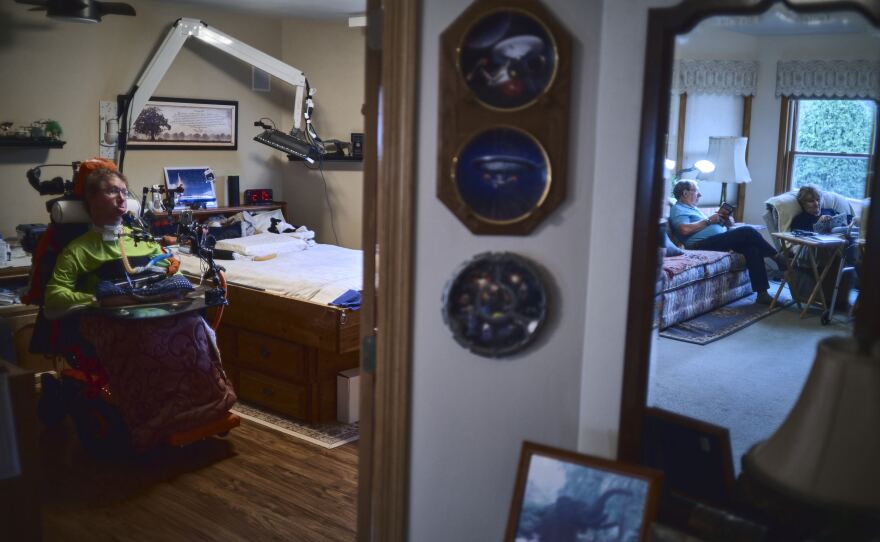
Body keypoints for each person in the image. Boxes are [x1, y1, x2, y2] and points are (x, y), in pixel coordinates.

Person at [43, 165, 236, 450]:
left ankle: (209, 408)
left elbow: (165, 267)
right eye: (111, 191)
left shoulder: (139, 239)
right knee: (147, 341)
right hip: (111, 320)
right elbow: (54, 297)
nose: (121, 198)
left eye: (124, 191)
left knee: (196, 327)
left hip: (157, 311)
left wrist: (171, 271)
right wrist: (96, 299)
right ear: (91, 200)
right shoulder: (79, 250)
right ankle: (153, 422)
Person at [669, 180, 784, 304]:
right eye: (697, 191)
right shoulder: (678, 209)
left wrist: (725, 222)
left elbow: (706, 226)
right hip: (699, 245)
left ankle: (762, 294)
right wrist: (708, 221)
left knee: (752, 249)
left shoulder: (694, 209)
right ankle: (777, 258)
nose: (700, 194)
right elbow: (684, 229)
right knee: (748, 231)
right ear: (685, 193)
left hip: (715, 241)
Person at [789, 184, 856, 310]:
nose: (816, 203)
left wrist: (847, 223)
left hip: (844, 242)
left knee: (854, 244)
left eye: (817, 200)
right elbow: (801, 238)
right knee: (846, 251)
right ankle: (837, 301)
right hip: (822, 247)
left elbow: (851, 220)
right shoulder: (800, 220)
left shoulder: (829, 211)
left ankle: (845, 298)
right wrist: (819, 224)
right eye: (811, 201)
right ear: (803, 204)